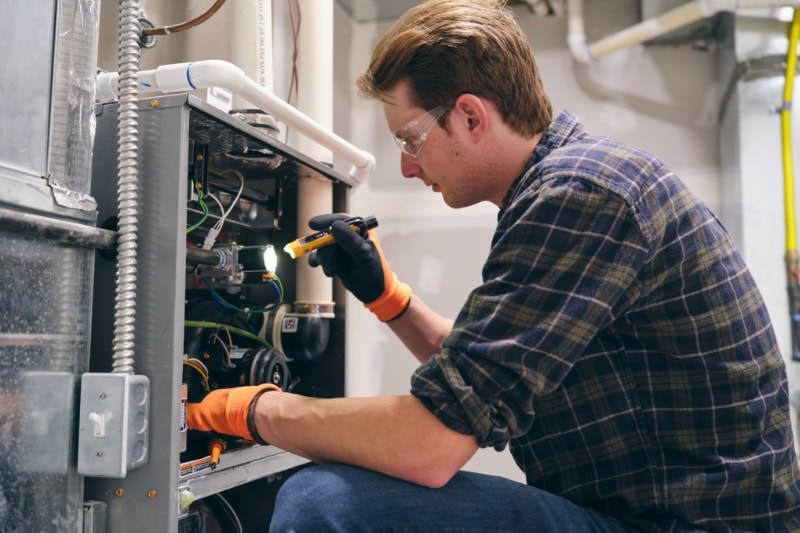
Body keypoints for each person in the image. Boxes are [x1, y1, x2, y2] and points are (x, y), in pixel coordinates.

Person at [188, 0, 800, 530]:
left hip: (664, 525)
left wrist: (254, 409)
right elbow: (488, 377)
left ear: (472, 116)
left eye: (409, 139)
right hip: (651, 514)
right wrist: (388, 298)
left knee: (323, 503)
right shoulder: (579, 182)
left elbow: (428, 445)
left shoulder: (579, 197)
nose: (406, 165)